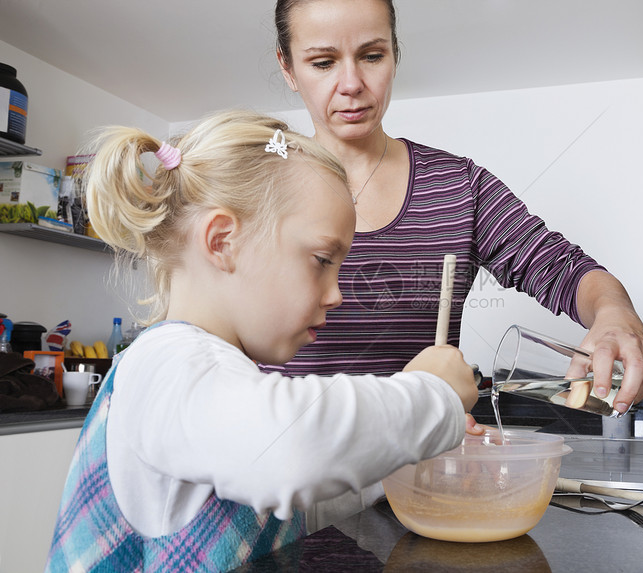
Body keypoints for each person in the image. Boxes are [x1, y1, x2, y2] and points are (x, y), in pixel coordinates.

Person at [44, 110, 478, 572]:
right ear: (223, 241)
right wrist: (433, 396)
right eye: (321, 259)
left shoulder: (218, 375)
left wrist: (407, 458)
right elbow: (291, 452)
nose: (337, 295)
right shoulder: (165, 365)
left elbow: (285, 509)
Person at [265, 0, 643, 411]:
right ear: (288, 67)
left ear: (395, 55)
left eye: (372, 56)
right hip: (284, 465)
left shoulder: (459, 186)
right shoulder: (254, 182)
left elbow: (562, 267)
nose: (351, 83)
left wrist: (614, 313)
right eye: (323, 63)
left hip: (419, 467)